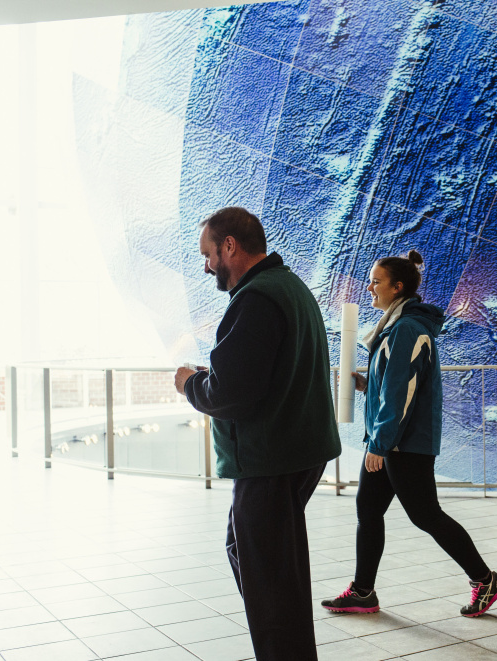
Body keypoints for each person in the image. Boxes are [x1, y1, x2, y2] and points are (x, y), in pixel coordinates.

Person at [174, 206, 341, 660]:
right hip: (296, 452)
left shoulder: (256, 298)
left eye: (208, 254)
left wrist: (190, 383)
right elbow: (262, 371)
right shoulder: (289, 288)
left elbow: (232, 393)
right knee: (261, 562)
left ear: (230, 246)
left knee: (269, 581)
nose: (206, 265)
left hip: (271, 460)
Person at [321, 250, 497, 618]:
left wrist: (380, 442)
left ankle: (486, 580)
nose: (370, 287)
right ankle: (363, 592)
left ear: (398, 287)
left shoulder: (407, 329)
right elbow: (392, 384)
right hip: (392, 439)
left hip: (403, 442)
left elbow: (402, 393)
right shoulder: (396, 326)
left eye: (376, 281)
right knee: (369, 510)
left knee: (426, 515)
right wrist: (362, 385)